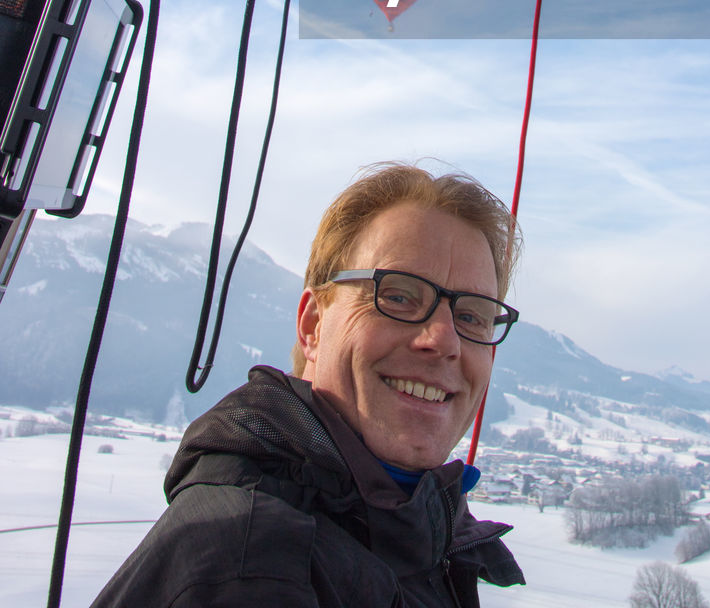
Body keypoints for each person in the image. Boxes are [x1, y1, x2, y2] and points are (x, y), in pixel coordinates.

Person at [91, 163, 525, 606]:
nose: (444, 340)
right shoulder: (252, 567)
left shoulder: (413, 543)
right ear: (313, 325)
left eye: (471, 315)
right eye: (397, 296)